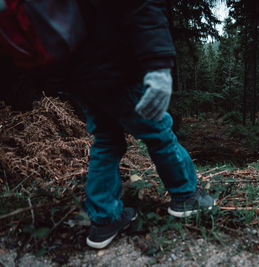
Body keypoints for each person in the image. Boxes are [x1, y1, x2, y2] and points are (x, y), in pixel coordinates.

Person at [1, 0, 215, 249]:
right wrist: (158, 65)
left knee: (106, 140)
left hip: (78, 79)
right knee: (158, 131)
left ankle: (104, 219)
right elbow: (140, 6)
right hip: (115, 68)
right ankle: (186, 196)